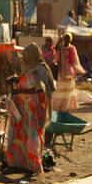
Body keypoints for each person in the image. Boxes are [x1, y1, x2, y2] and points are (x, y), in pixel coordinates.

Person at [6, 43, 52, 173]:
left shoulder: (41, 69)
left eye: (26, 56)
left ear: (32, 56)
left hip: (33, 112)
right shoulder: (29, 67)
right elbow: (24, 77)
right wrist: (14, 80)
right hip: (21, 110)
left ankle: (33, 165)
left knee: (31, 138)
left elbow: (39, 90)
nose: (24, 59)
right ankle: (18, 163)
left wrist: (19, 91)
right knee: (17, 135)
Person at [52, 32, 82, 111]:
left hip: (69, 73)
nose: (67, 40)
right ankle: (57, 108)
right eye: (66, 38)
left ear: (70, 40)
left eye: (68, 39)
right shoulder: (60, 47)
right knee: (60, 90)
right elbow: (55, 49)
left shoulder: (72, 48)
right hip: (61, 72)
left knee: (68, 92)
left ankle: (65, 108)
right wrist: (60, 40)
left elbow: (74, 60)